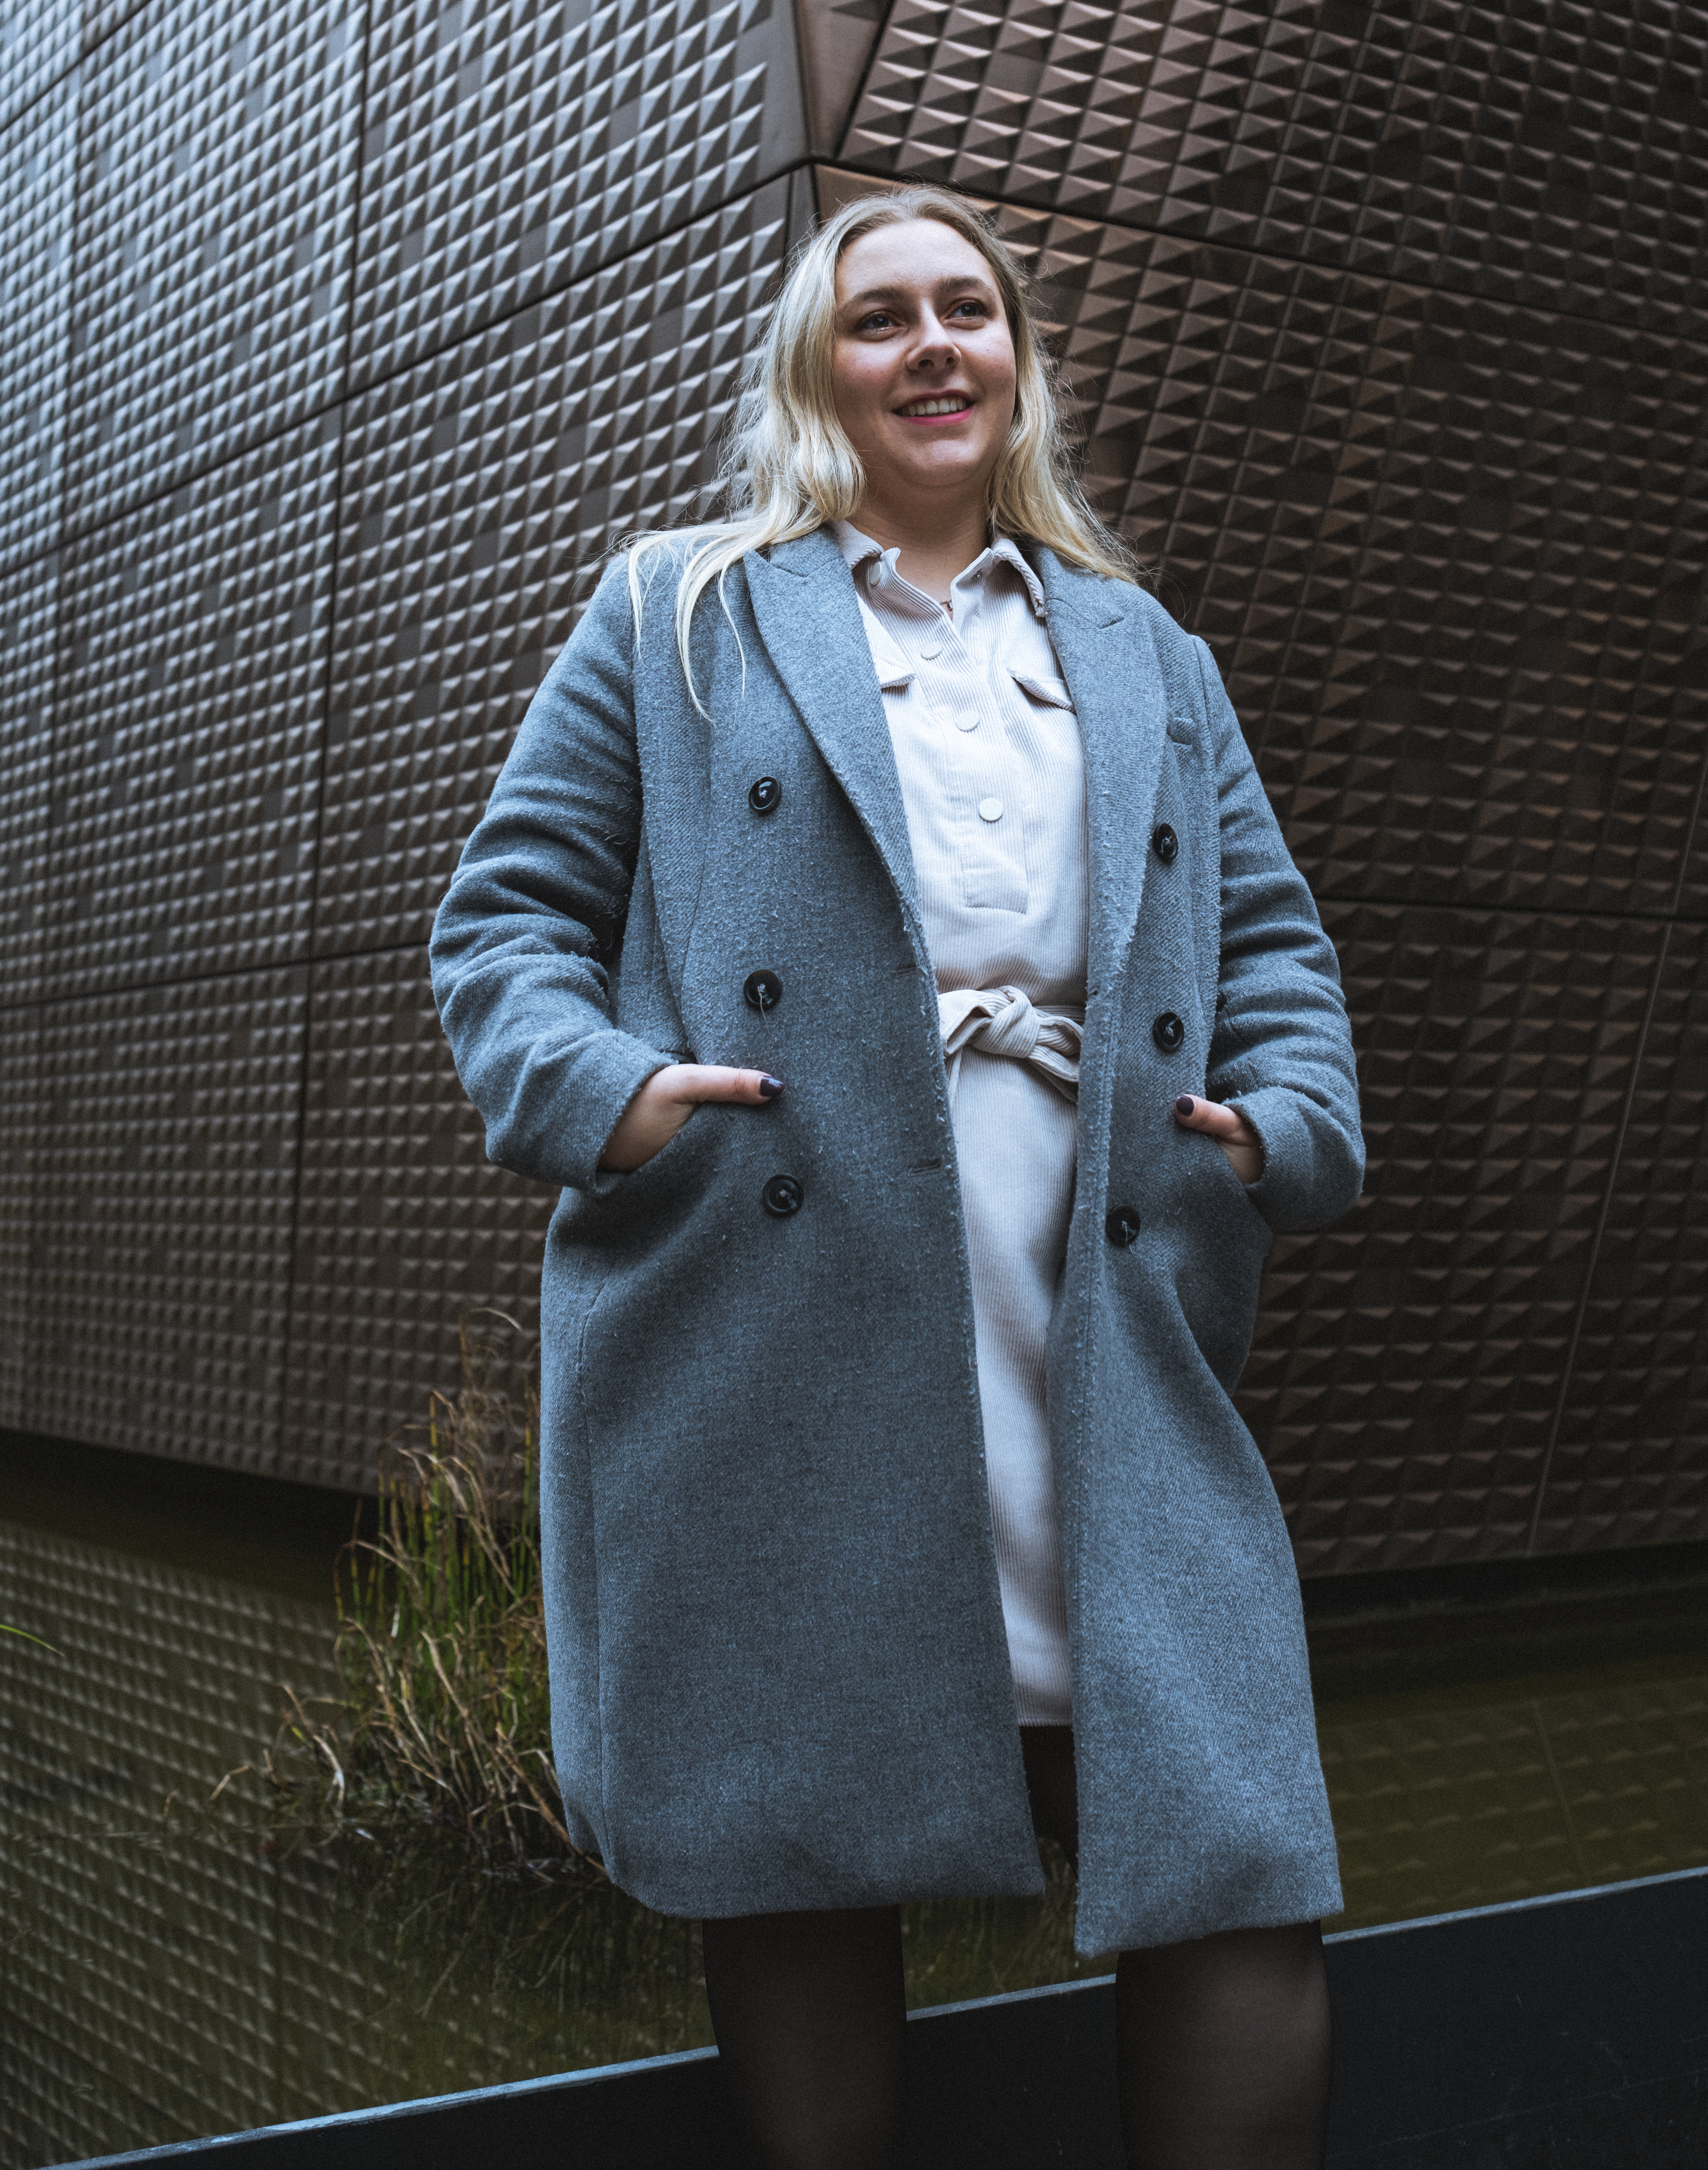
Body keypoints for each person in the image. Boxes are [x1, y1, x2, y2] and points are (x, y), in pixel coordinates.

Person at [430, 185, 1364, 2169]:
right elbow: (504, 923)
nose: (935, 343)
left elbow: (1277, 946)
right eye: (882, 319)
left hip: (1103, 1296)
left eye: (972, 308)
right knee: (803, 1853)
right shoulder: (677, 609)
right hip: (784, 1294)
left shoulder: (1146, 654)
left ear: (1018, 364)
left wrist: (1281, 1128)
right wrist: (615, 1098)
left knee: (1235, 1850)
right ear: (816, 369)